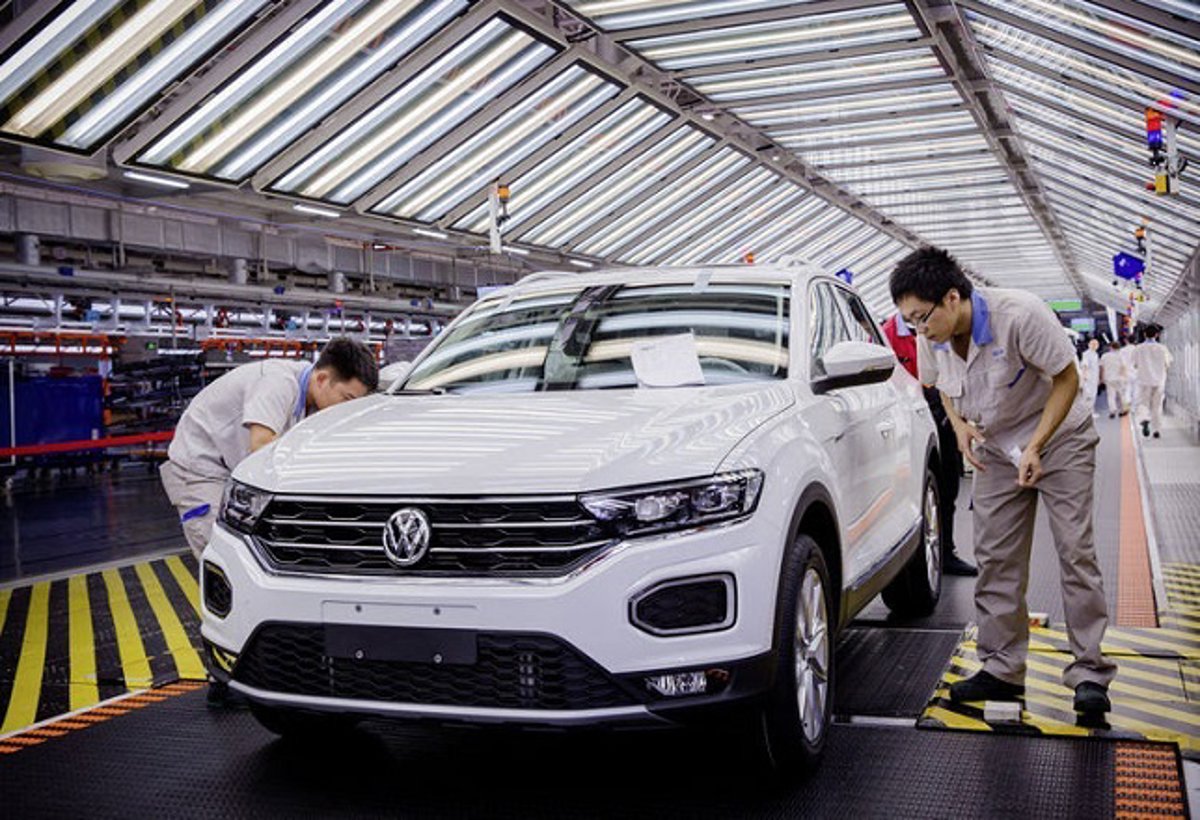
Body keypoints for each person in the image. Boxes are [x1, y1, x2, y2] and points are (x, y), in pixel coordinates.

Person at [890, 246, 1116, 718]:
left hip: (1061, 438)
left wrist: (1036, 445)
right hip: (995, 445)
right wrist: (959, 426)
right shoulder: (930, 335)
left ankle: (1090, 673)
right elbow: (940, 387)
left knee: (1075, 551)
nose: (918, 329)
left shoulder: (1020, 315)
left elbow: (1067, 379)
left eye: (922, 317)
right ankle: (1002, 667)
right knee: (995, 556)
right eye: (909, 322)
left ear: (952, 298)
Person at [160, 337, 379, 558]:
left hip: (233, 468)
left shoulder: (312, 397)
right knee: (222, 554)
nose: (348, 409)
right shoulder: (277, 382)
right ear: (322, 379)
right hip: (199, 470)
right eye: (347, 398)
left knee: (251, 550)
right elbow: (261, 446)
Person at [881, 313, 977, 576]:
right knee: (914, 487)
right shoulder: (889, 334)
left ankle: (945, 552)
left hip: (942, 406)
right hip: (907, 416)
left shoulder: (943, 321)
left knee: (948, 484)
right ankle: (913, 558)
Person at [1131, 325, 1173, 438]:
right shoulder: (1162, 348)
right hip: (1159, 381)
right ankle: (1156, 429)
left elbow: (1134, 364)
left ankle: (1144, 420)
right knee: (1157, 405)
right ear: (1157, 335)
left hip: (1143, 380)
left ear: (1144, 334)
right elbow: (1168, 364)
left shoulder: (1138, 348)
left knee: (1144, 403)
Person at [1099, 341, 1130, 419]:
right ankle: (1123, 410)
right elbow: (1123, 367)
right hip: (1119, 378)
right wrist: (1125, 377)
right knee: (1122, 394)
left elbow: (1102, 368)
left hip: (1109, 378)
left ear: (1111, 347)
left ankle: (1112, 411)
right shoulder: (1121, 356)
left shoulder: (1105, 356)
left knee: (1111, 395)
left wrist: (1101, 378)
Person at [1078, 338, 1100, 417]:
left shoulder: (1095, 354)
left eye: (1096, 344)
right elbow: (1085, 366)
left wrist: (1098, 378)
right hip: (1089, 378)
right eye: (1093, 344)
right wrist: (1084, 377)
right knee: (1088, 395)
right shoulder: (1086, 354)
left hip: (1094, 378)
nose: (1094, 346)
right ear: (1089, 345)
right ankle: (1087, 413)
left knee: (1093, 395)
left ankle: (1090, 412)